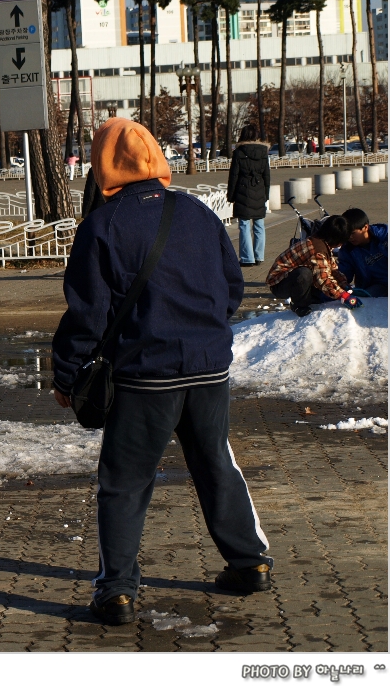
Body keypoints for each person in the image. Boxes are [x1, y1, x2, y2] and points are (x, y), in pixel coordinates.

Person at [52, 117, 273, 626]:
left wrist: (65, 376)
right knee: (217, 464)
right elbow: (233, 289)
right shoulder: (197, 213)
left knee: (125, 482)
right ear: (156, 158)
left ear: (103, 165)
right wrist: (203, 332)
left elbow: (87, 315)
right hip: (208, 369)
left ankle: (117, 592)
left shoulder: (102, 226)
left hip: (144, 377)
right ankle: (250, 562)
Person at [266, 215, 361, 317]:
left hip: (289, 278)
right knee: (304, 274)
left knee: (316, 273)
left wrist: (345, 285)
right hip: (279, 283)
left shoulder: (322, 243)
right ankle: (298, 305)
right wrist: (343, 295)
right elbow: (323, 280)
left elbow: (332, 270)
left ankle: (312, 298)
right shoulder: (317, 250)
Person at [227, 124, 270, 267]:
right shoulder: (263, 152)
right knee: (259, 224)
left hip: (243, 190)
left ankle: (247, 258)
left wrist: (231, 196)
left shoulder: (239, 152)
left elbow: (234, 176)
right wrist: (266, 194)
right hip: (259, 189)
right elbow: (266, 175)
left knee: (244, 224)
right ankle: (259, 256)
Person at [336, 208, 388, 297]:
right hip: (375, 286)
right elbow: (343, 276)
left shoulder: (385, 236)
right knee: (365, 299)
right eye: (347, 234)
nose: (350, 237)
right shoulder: (347, 250)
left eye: (353, 233)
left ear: (365, 227)